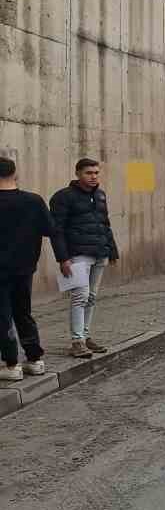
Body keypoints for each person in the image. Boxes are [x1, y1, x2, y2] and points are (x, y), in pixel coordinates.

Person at [0, 156, 68, 382]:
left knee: (3, 316)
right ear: (15, 174)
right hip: (24, 268)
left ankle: (11, 364)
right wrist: (63, 259)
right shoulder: (34, 201)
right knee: (23, 312)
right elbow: (53, 231)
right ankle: (35, 359)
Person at [50, 157, 119, 359]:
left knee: (91, 298)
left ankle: (86, 337)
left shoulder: (100, 195)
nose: (93, 177)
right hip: (78, 255)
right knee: (80, 297)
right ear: (78, 173)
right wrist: (63, 258)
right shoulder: (63, 197)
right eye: (89, 173)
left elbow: (105, 224)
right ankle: (77, 341)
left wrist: (112, 251)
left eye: (96, 172)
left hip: (100, 253)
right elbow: (57, 230)